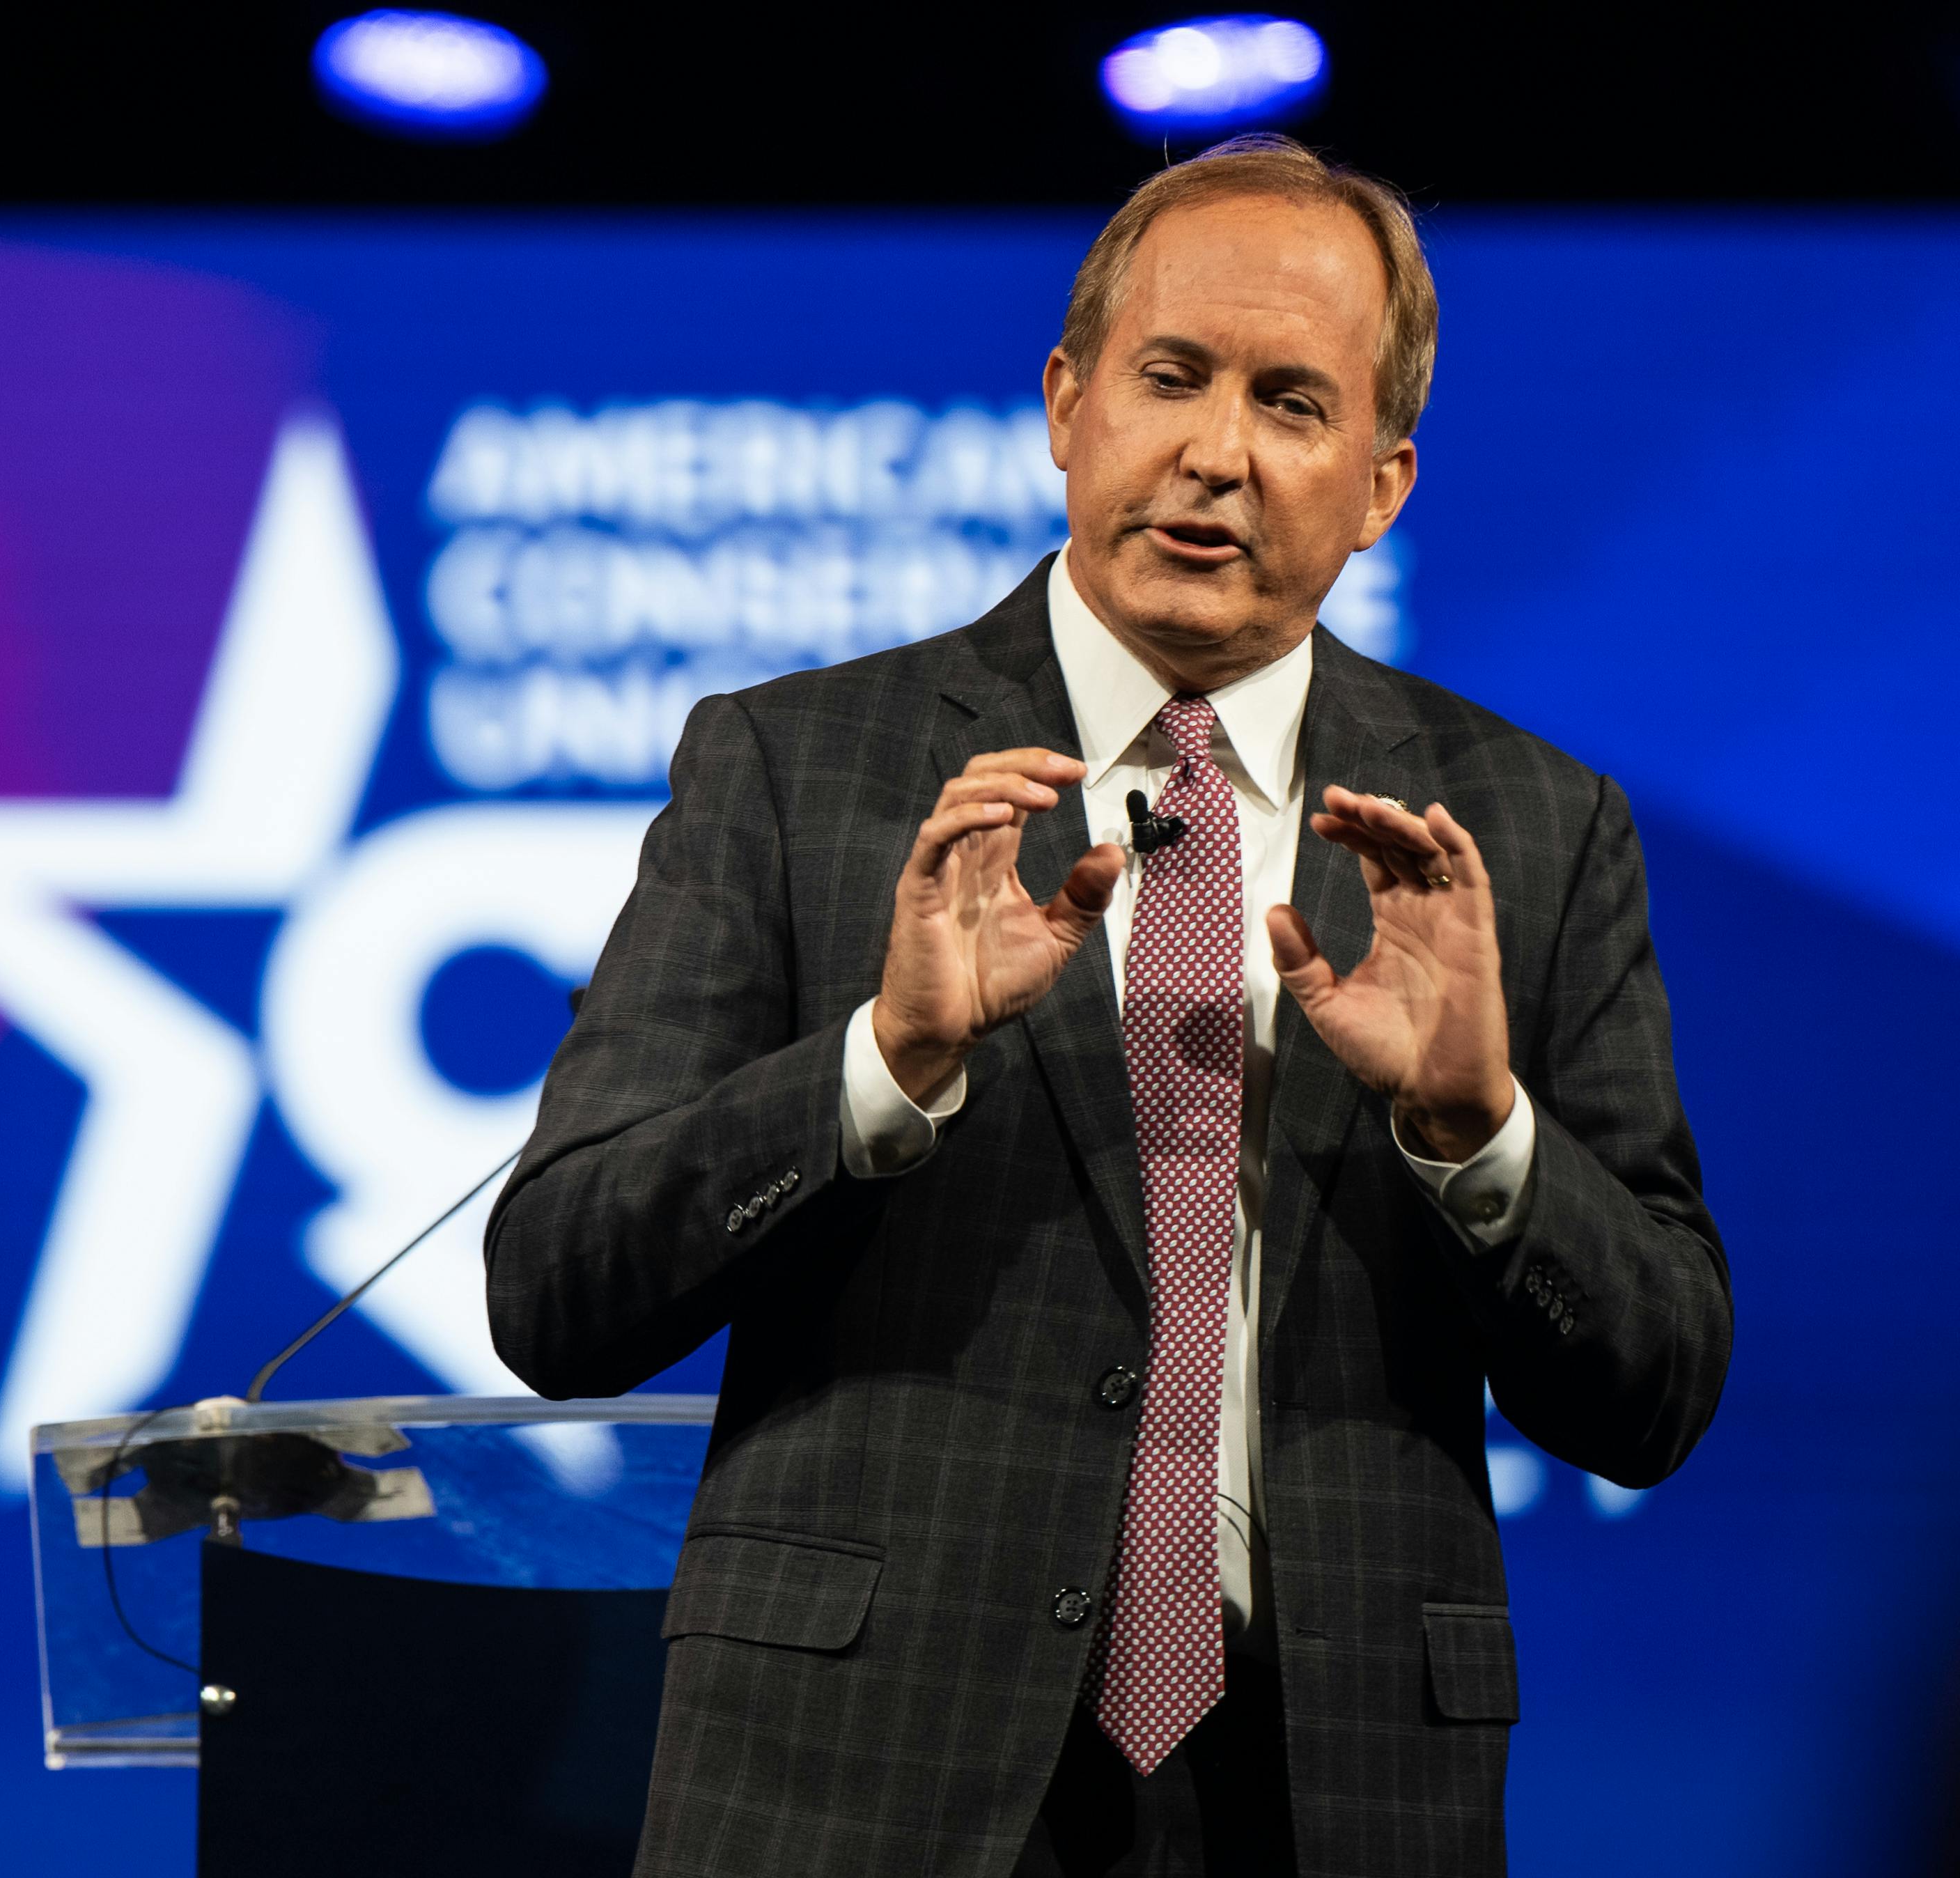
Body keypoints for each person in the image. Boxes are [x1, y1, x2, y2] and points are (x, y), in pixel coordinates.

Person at [483, 134, 1732, 1878]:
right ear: (1066, 404)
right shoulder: (792, 768)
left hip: (1335, 1787)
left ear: (1379, 485)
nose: (1215, 452)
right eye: (1171, 377)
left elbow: (1656, 1389)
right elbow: (555, 1288)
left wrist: (1477, 1137)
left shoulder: (1523, 824)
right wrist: (881, 1065)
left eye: (1292, 403)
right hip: (859, 1773)